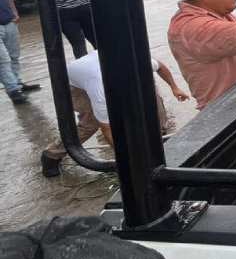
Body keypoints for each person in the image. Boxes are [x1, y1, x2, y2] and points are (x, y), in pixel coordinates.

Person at [40, 51, 189, 177]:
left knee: (152, 100)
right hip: (74, 84)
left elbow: (161, 66)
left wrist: (175, 87)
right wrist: (126, 161)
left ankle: (157, 135)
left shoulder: (139, 63)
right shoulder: (100, 90)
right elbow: (107, 129)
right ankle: (51, 155)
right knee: (91, 122)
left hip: (98, 66)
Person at [0, 0, 40, 105]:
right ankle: (13, 90)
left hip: (9, 22)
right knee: (3, 60)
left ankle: (17, 82)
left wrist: (15, 12)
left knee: (14, 56)